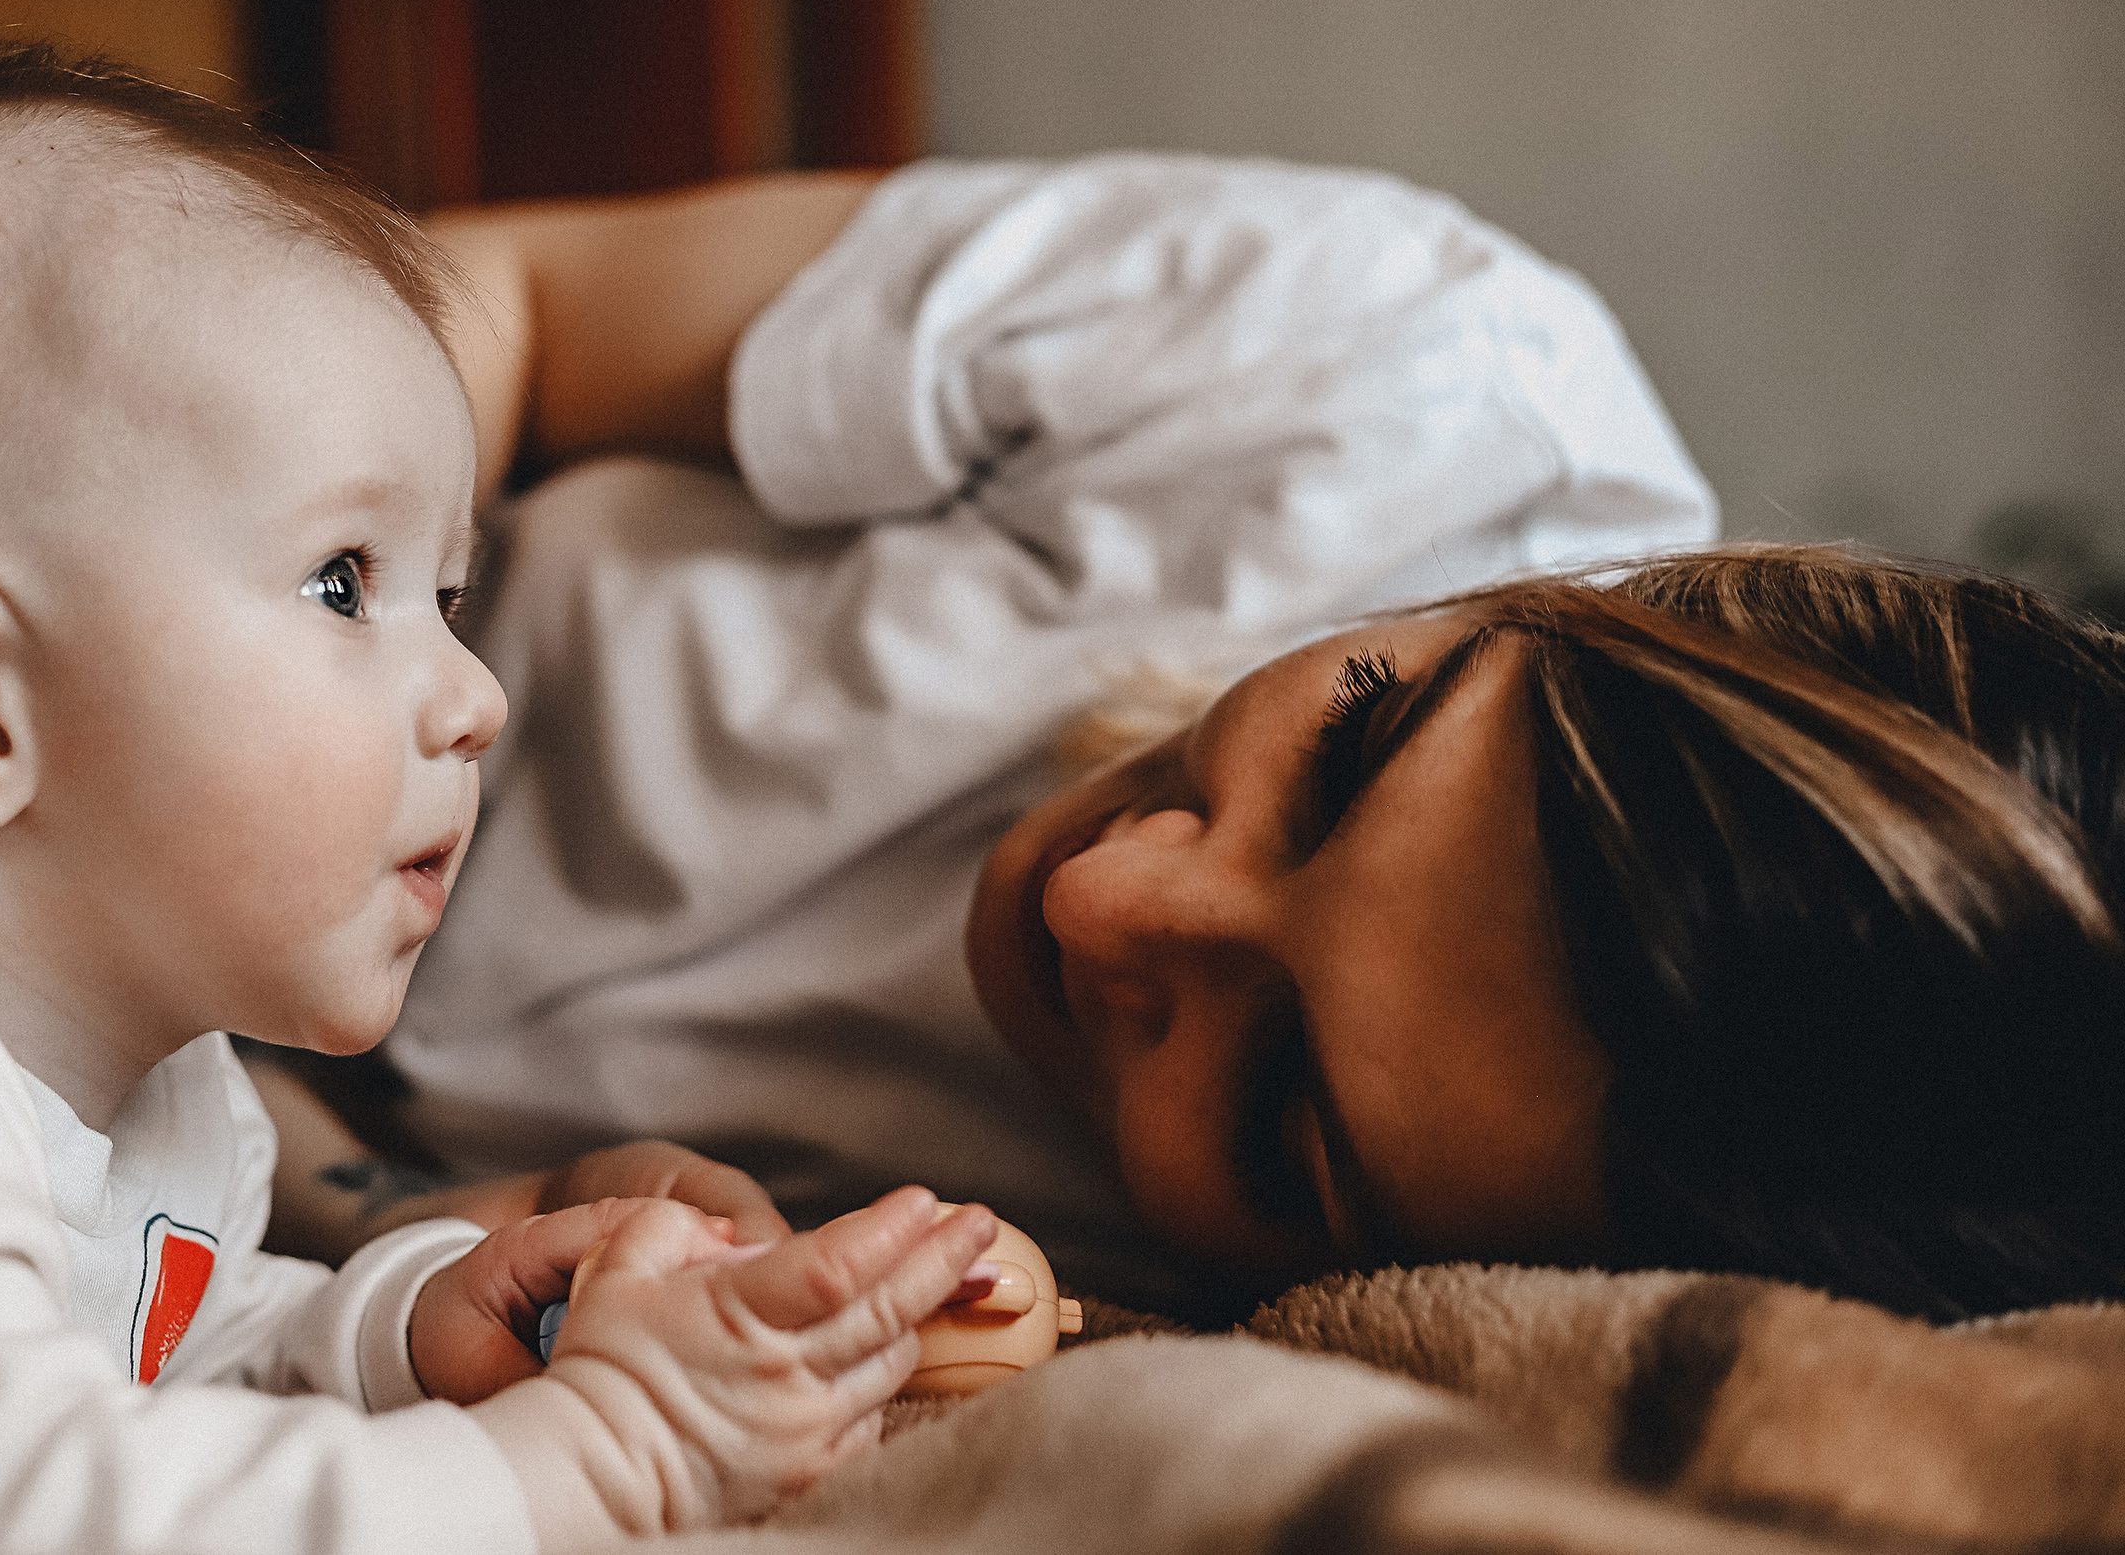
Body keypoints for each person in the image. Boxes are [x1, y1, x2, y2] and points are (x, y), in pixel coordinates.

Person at [0, 41, 1003, 1554]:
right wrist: (604, 1455)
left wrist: (409, 1333)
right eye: (342, 583)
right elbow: (45, 1516)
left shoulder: (161, 1096)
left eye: (448, 596)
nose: (476, 696)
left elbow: (158, 1369)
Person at [265, 159, 2125, 1327]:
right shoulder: (1399, 367)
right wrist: (237, 646)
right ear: (1598, 593)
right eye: (1353, 744)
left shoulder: (1181, 1322)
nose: (1106, 901)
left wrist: (379, 1207)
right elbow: (509, 309)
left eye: (1276, 1112)